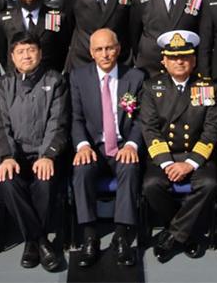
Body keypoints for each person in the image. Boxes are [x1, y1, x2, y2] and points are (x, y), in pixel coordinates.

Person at [141, 30, 217, 263]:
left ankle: (172, 235)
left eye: (185, 56)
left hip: (195, 154)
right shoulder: (151, 87)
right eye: (173, 57)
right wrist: (167, 163)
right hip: (165, 153)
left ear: (193, 60)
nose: (179, 61)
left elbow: (211, 129)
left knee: (209, 184)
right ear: (163, 61)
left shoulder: (206, 87)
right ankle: (185, 235)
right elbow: (150, 128)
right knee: (151, 185)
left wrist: (190, 164)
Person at [0, 31, 68, 271]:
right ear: (12, 58)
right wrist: (6, 157)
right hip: (15, 155)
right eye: (20, 51)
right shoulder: (3, 84)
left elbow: (58, 123)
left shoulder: (55, 80)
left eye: (31, 50)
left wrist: (48, 155)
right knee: (6, 183)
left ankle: (31, 242)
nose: (27, 56)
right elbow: (1, 124)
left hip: (44, 154)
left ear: (40, 53)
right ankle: (39, 240)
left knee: (45, 183)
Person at [70, 28, 145, 268]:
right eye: (99, 49)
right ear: (91, 53)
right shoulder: (78, 77)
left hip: (123, 144)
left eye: (110, 48)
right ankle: (90, 237)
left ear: (118, 49)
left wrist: (132, 144)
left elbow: (142, 118)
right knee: (81, 171)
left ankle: (121, 237)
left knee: (131, 169)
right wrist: (82, 145)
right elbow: (75, 118)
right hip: (93, 145)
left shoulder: (134, 77)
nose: (105, 54)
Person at [0, 0, 68, 74]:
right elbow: (2, 54)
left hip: (47, 79)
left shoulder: (56, 17)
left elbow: (61, 52)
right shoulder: (5, 19)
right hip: (16, 80)